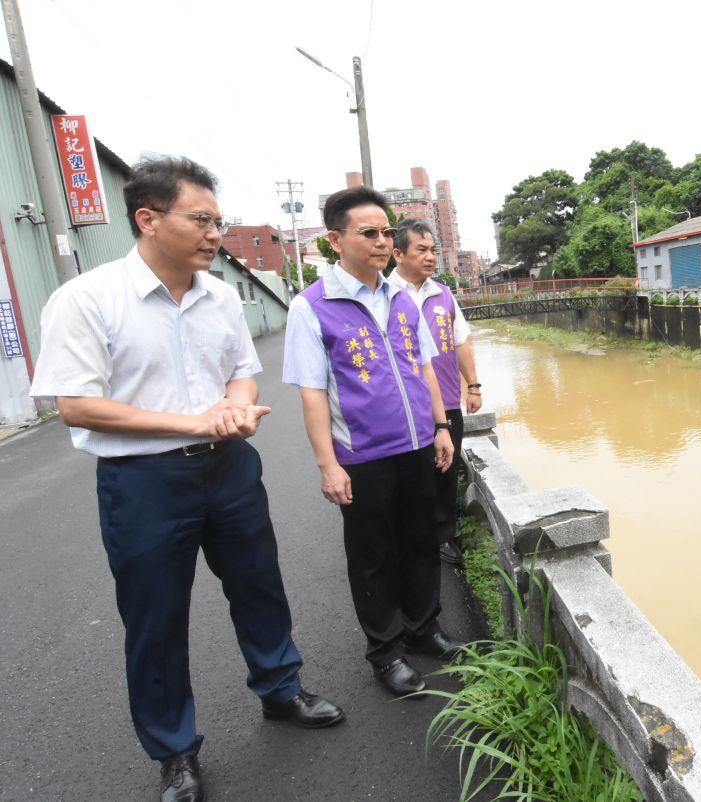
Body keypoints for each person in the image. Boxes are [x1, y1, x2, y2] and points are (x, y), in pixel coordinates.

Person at [29, 156, 343, 802]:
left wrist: (234, 404)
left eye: (218, 221)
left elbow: (241, 370)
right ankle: (175, 751)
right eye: (201, 220)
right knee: (155, 617)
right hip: (142, 483)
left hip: (229, 468)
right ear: (148, 219)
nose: (214, 235)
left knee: (259, 586)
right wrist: (194, 421)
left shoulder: (221, 295)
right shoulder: (86, 301)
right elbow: (77, 406)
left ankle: (281, 689)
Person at [282, 187, 467, 699]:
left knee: (420, 542)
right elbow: (313, 393)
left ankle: (424, 627)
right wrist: (328, 465)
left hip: (417, 446)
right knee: (374, 557)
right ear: (335, 239)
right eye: (369, 233)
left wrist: (440, 426)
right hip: (362, 455)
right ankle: (385, 652)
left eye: (386, 232)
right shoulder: (313, 307)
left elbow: (424, 365)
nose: (383, 241)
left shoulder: (402, 298)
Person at [385, 220, 482, 566]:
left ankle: (444, 535)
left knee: (446, 471)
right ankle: (410, 536)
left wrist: (472, 385)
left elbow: (461, 342)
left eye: (432, 251)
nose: (430, 258)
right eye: (421, 250)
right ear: (398, 254)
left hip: (448, 402)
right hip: (405, 408)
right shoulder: (385, 295)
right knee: (407, 475)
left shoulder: (443, 293)